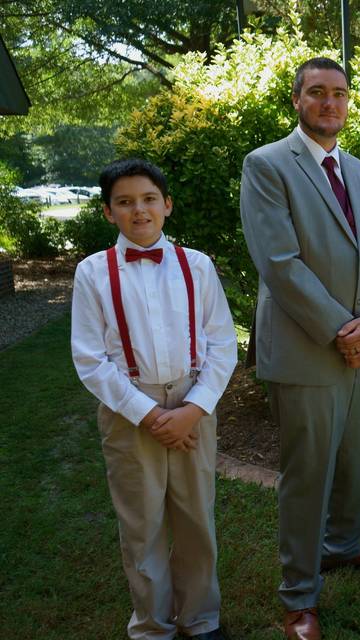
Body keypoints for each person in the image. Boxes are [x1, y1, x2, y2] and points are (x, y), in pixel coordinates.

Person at [239, 57, 360, 640]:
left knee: (356, 462)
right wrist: (343, 328)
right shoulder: (267, 166)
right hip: (308, 350)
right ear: (296, 99)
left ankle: (342, 548)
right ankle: (299, 595)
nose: (329, 103)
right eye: (316, 93)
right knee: (308, 474)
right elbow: (280, 265)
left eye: (339, 93)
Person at [71, 158, 237, 640]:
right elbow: (90, 359)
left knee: (195, 518)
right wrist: (147, 415)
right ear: (108, 212)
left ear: (166, 205)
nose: (138, 210)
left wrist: (192, 410)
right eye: (124, 202)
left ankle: (200, 619)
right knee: (141, 523)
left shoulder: (198, 266)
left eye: (147, 199)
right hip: (129, 407)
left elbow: (222, 344)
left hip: (193, 400)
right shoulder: (93, 273)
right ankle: (152, 626)